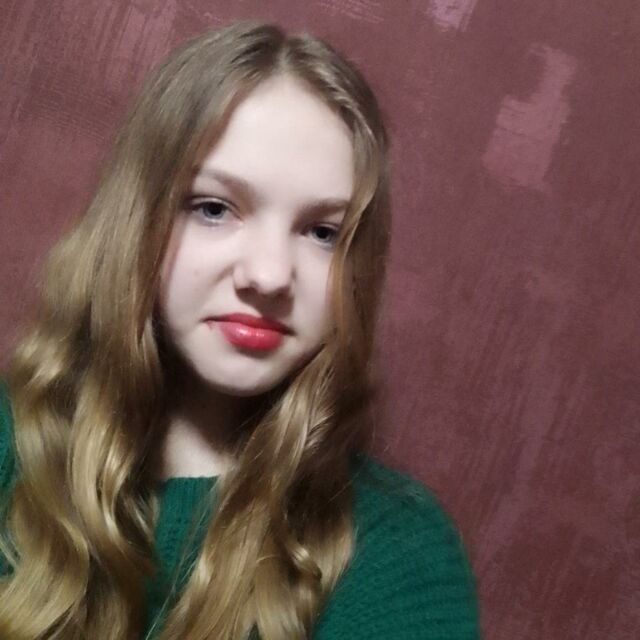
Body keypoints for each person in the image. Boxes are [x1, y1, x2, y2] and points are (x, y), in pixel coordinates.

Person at [0, 20, 479, 640]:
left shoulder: (399, 556)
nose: (270, 275)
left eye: (323, 232)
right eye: (214, 208)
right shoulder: (13, 449)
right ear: (135, 221)